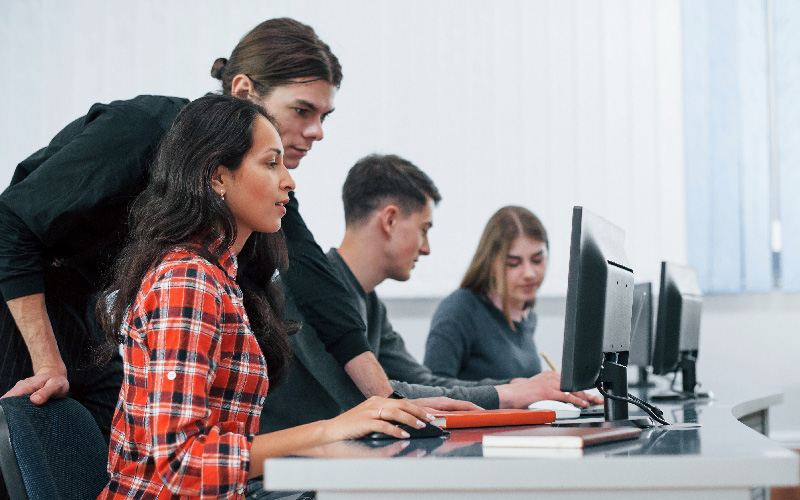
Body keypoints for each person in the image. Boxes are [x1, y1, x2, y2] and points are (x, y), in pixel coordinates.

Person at [0, 18, 392, 442]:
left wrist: (386, 400)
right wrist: (47, 363)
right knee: (40, 447)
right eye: (302, 110)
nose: (316, 131)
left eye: (324, 115)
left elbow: (315, 281)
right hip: (20, 297)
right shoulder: (142, 128)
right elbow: (10, 224)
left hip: (80, 311)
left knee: (120, 451)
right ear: (243, 90)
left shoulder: (257, 194)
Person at [96, 94, 431, 500]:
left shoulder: (222, 278)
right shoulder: (188, 280)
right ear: (218, 177)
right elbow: (180, 463)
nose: (289, 180)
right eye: (271, 163)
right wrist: (325, 434)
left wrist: (327, 444)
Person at [260, 155, 601, 433]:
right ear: (390, 220)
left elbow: (421, 380)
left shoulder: (370, 304)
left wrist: (523, 387)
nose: (426, 249)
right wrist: (510, 394)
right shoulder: (313, 294)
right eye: (424, 230)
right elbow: (372, 397)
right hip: (286, 483)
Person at [423, 206, 548, 380]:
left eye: (537, 260)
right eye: (513, 263)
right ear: (490, 263)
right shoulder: (459, 309)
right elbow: (433, 389)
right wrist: (516, 392)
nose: (529, 273)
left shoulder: (526, 316)